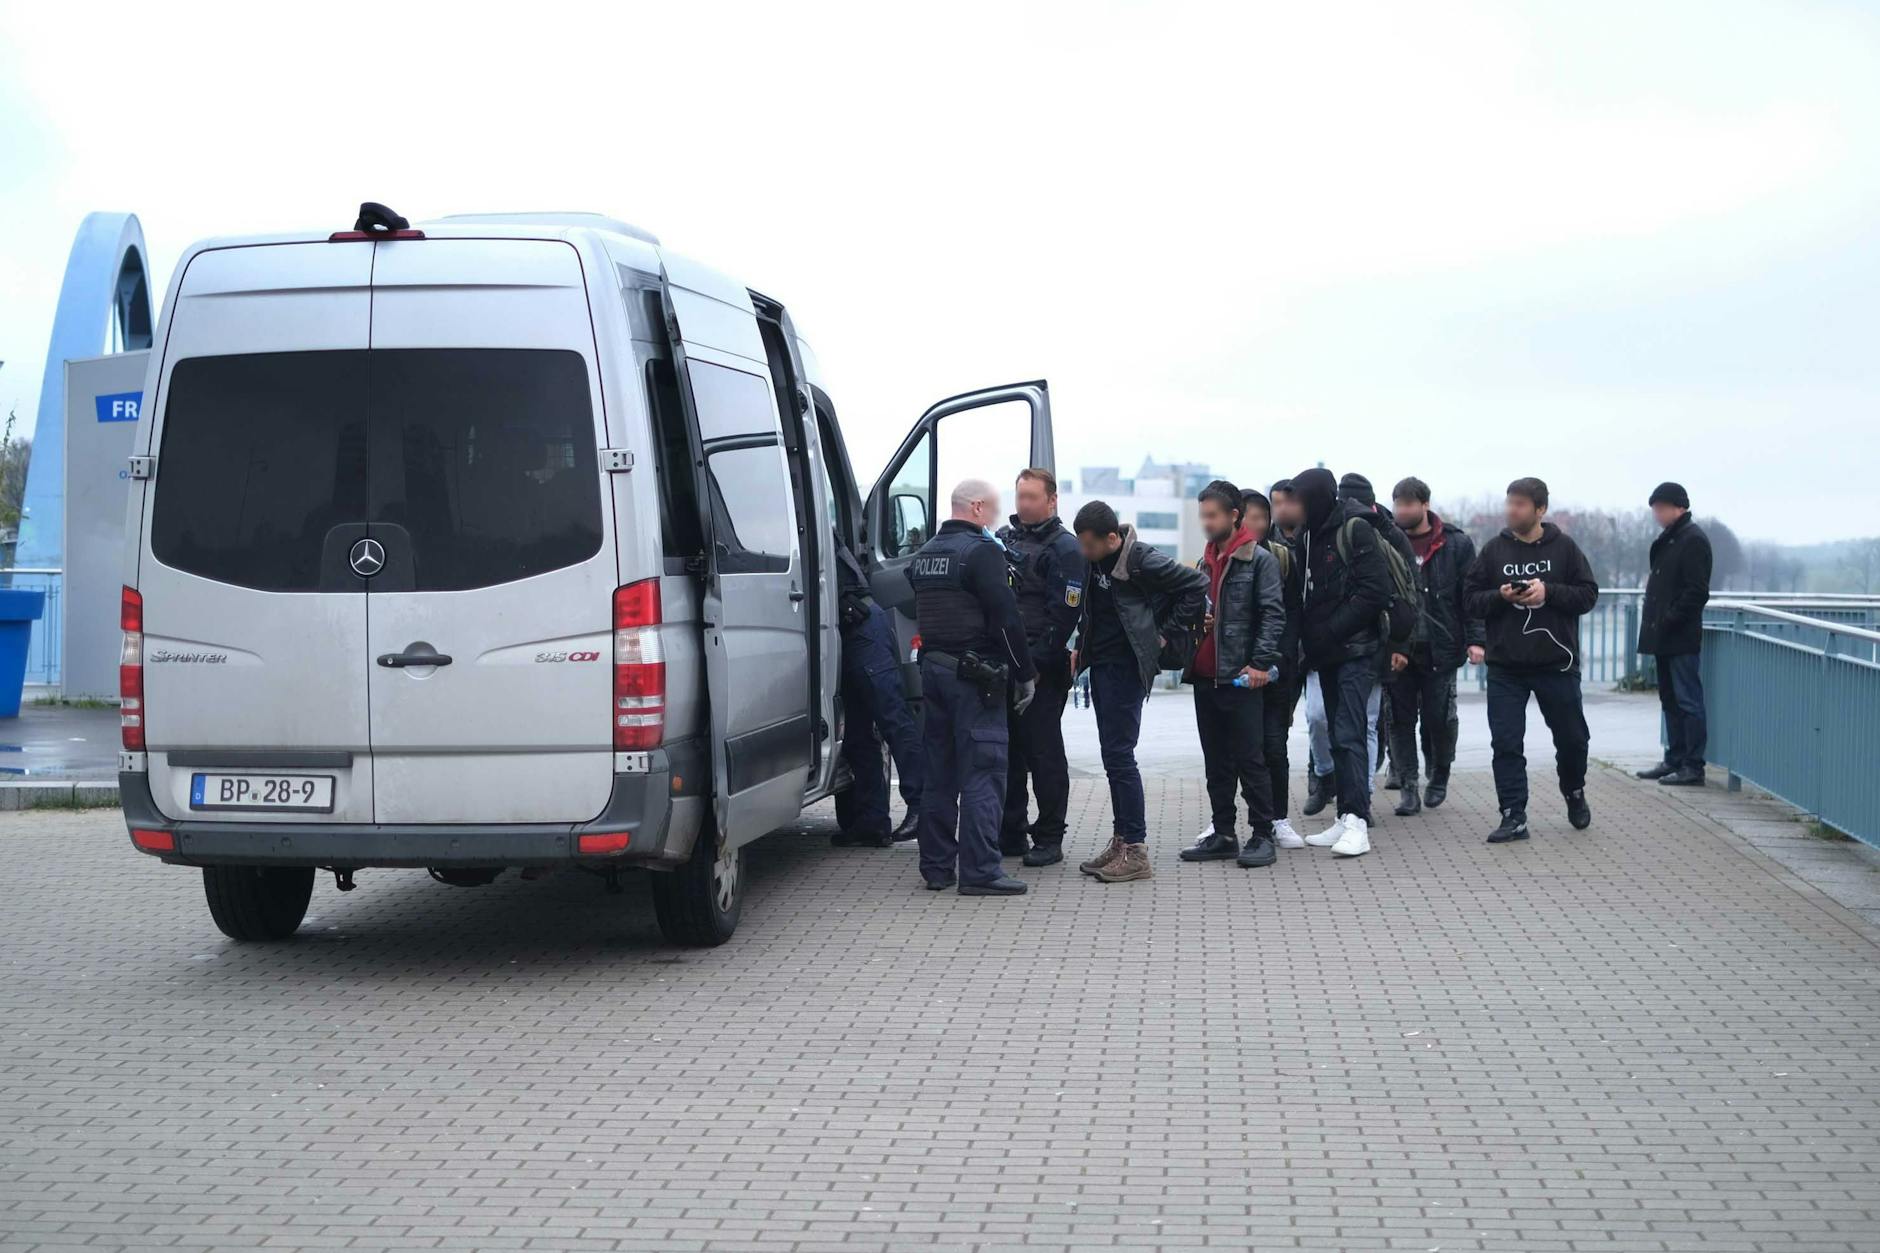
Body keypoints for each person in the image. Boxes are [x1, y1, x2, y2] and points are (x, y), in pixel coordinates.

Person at [905, 479, 1038, 895]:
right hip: (974, 678)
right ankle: (981, 872)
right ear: (977, 508)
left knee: (939, 775)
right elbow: (1006, 618)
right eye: (994, 510)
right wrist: (1025, 672)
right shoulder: (981, 553)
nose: (996, 519)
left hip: (934, 673)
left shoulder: (924, 555)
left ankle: (937, 868)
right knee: (983, 773)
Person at [1070, 501, 1208, 883]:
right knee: (1112, 757)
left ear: (1112, 538)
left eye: (1090, 545)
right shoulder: (1096, 560)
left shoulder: (1142, 559)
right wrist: (1081, 647)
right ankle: (1120, 842)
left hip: (1127, 667)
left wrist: (1161, 636)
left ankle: (1136, 849)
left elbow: (1197, 585)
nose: (1084, 552)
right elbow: (1094, 610)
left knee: (1120, 756)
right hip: (1102, 665)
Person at [1464, 477, 1600, 843]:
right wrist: (1501, 596)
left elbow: (1588, 595)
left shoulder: (1565, 549)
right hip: (1506, 666)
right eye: (1509, 502)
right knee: (1506, 742)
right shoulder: (1494, 550)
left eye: (1520, 504)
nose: (1512, 510)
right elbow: (1471, 599)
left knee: (1573, 740)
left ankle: (1573, 790)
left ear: (1540, 509)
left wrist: (1548, 591)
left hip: (1556, 663)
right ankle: (1513, 815)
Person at [1179, 481, 1285, 868]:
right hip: (1206, 675)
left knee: (1250, 759)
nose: (1206, 523)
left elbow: (1273, 615)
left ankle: (1262, 834)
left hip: (1241, 677)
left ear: (1234, 516)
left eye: (1212, 516)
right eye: (1202, 516)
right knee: (1216, 762)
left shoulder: (1259, 560)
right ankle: (1223, 833)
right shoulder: (1204, 560)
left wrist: (1259, 665)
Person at [1294, 467, 1390, 857]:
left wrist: (1329, 630)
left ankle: (1358, 823)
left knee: (1351, 733)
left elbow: (1375, 591)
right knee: (1336, 733)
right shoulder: (1309, 534)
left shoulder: (1356, 529)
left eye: (1301, 499)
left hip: (1357, 650)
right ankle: (1345, 816)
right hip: (1326, 653)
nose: (1296, 507)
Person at [996, 468, 1085, 865]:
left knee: (1043, 754)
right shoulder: (1004, 540)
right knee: (1008, 752)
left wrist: (1033, 666)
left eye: (1033, 497)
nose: (1025, 504)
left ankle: (1050, 837)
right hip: (1006, 664)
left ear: (1052, 500)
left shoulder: (1065, 548)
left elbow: (1063, 617)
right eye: (1020, 496)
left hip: (1043, 670)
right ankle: (1010, 832)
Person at [1386, 477, 1481, 814]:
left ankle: (1439, 774)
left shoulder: (1454, 544)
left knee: (1438, 719)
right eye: (1398, 504)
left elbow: (1469, 597)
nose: (1402, 510)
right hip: (1400, 648)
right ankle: (1409, 787)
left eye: (1409, 504)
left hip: (1442, 645)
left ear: (1424, 505)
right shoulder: (1389, 541)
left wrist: (1476, 640)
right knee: (1399, 720)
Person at [831, 535, 923, 847]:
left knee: (893, 720)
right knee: (858, 736)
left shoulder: (813, 526)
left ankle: (922, 807)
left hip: (862, 629)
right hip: (851, 632)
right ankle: (871, 824)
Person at [1635, 482, 1712, 787]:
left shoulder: (1692, 540)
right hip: (1665, 635)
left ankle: (1693, 766)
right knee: (1670, 698)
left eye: (1661, 508)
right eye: (1655, 508)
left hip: (1679, 636)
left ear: (1678, 508)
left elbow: (1697, 591)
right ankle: (1675, 758)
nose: (1657, 514)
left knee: (1687, 701)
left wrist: (1669, 619)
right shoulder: (1671, 539)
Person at [1340, 472, 1412, 792]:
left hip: (1381, 641)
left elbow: (1408, 593)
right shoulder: (1331, 531)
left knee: (1372, 720)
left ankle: (1364, 792)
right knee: (1327, 719)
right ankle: (1327, 777)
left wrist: (1400, 645)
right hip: (1338, 641)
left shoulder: (1390, 535)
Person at [1247, 487, 1307, 848]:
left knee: (1274, 745)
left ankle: (1278, 818)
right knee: (1240, 749)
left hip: (1277, 669)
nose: (1255, 523)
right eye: (1248, 515)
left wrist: (1281, 659)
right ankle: (1228, 819)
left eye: (1260, 516)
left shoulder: (1282, 557)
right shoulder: (1219, 558)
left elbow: (1293, 613)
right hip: (1236, 671)